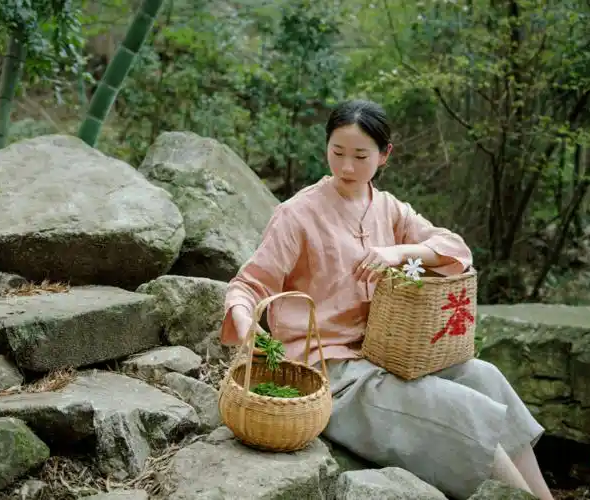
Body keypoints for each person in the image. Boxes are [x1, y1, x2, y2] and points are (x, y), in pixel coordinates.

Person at [218, 99, 554, 500]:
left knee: (485, 378)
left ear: (384, 156)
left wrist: (401, 252)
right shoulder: (297, 214)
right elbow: (248, 285)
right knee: (459, 410)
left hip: (391, 355)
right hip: (333, 372)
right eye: (337, 152)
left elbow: (456, 250)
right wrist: (245, 321)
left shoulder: (391, 209)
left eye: (360, 156)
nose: (346, 167)